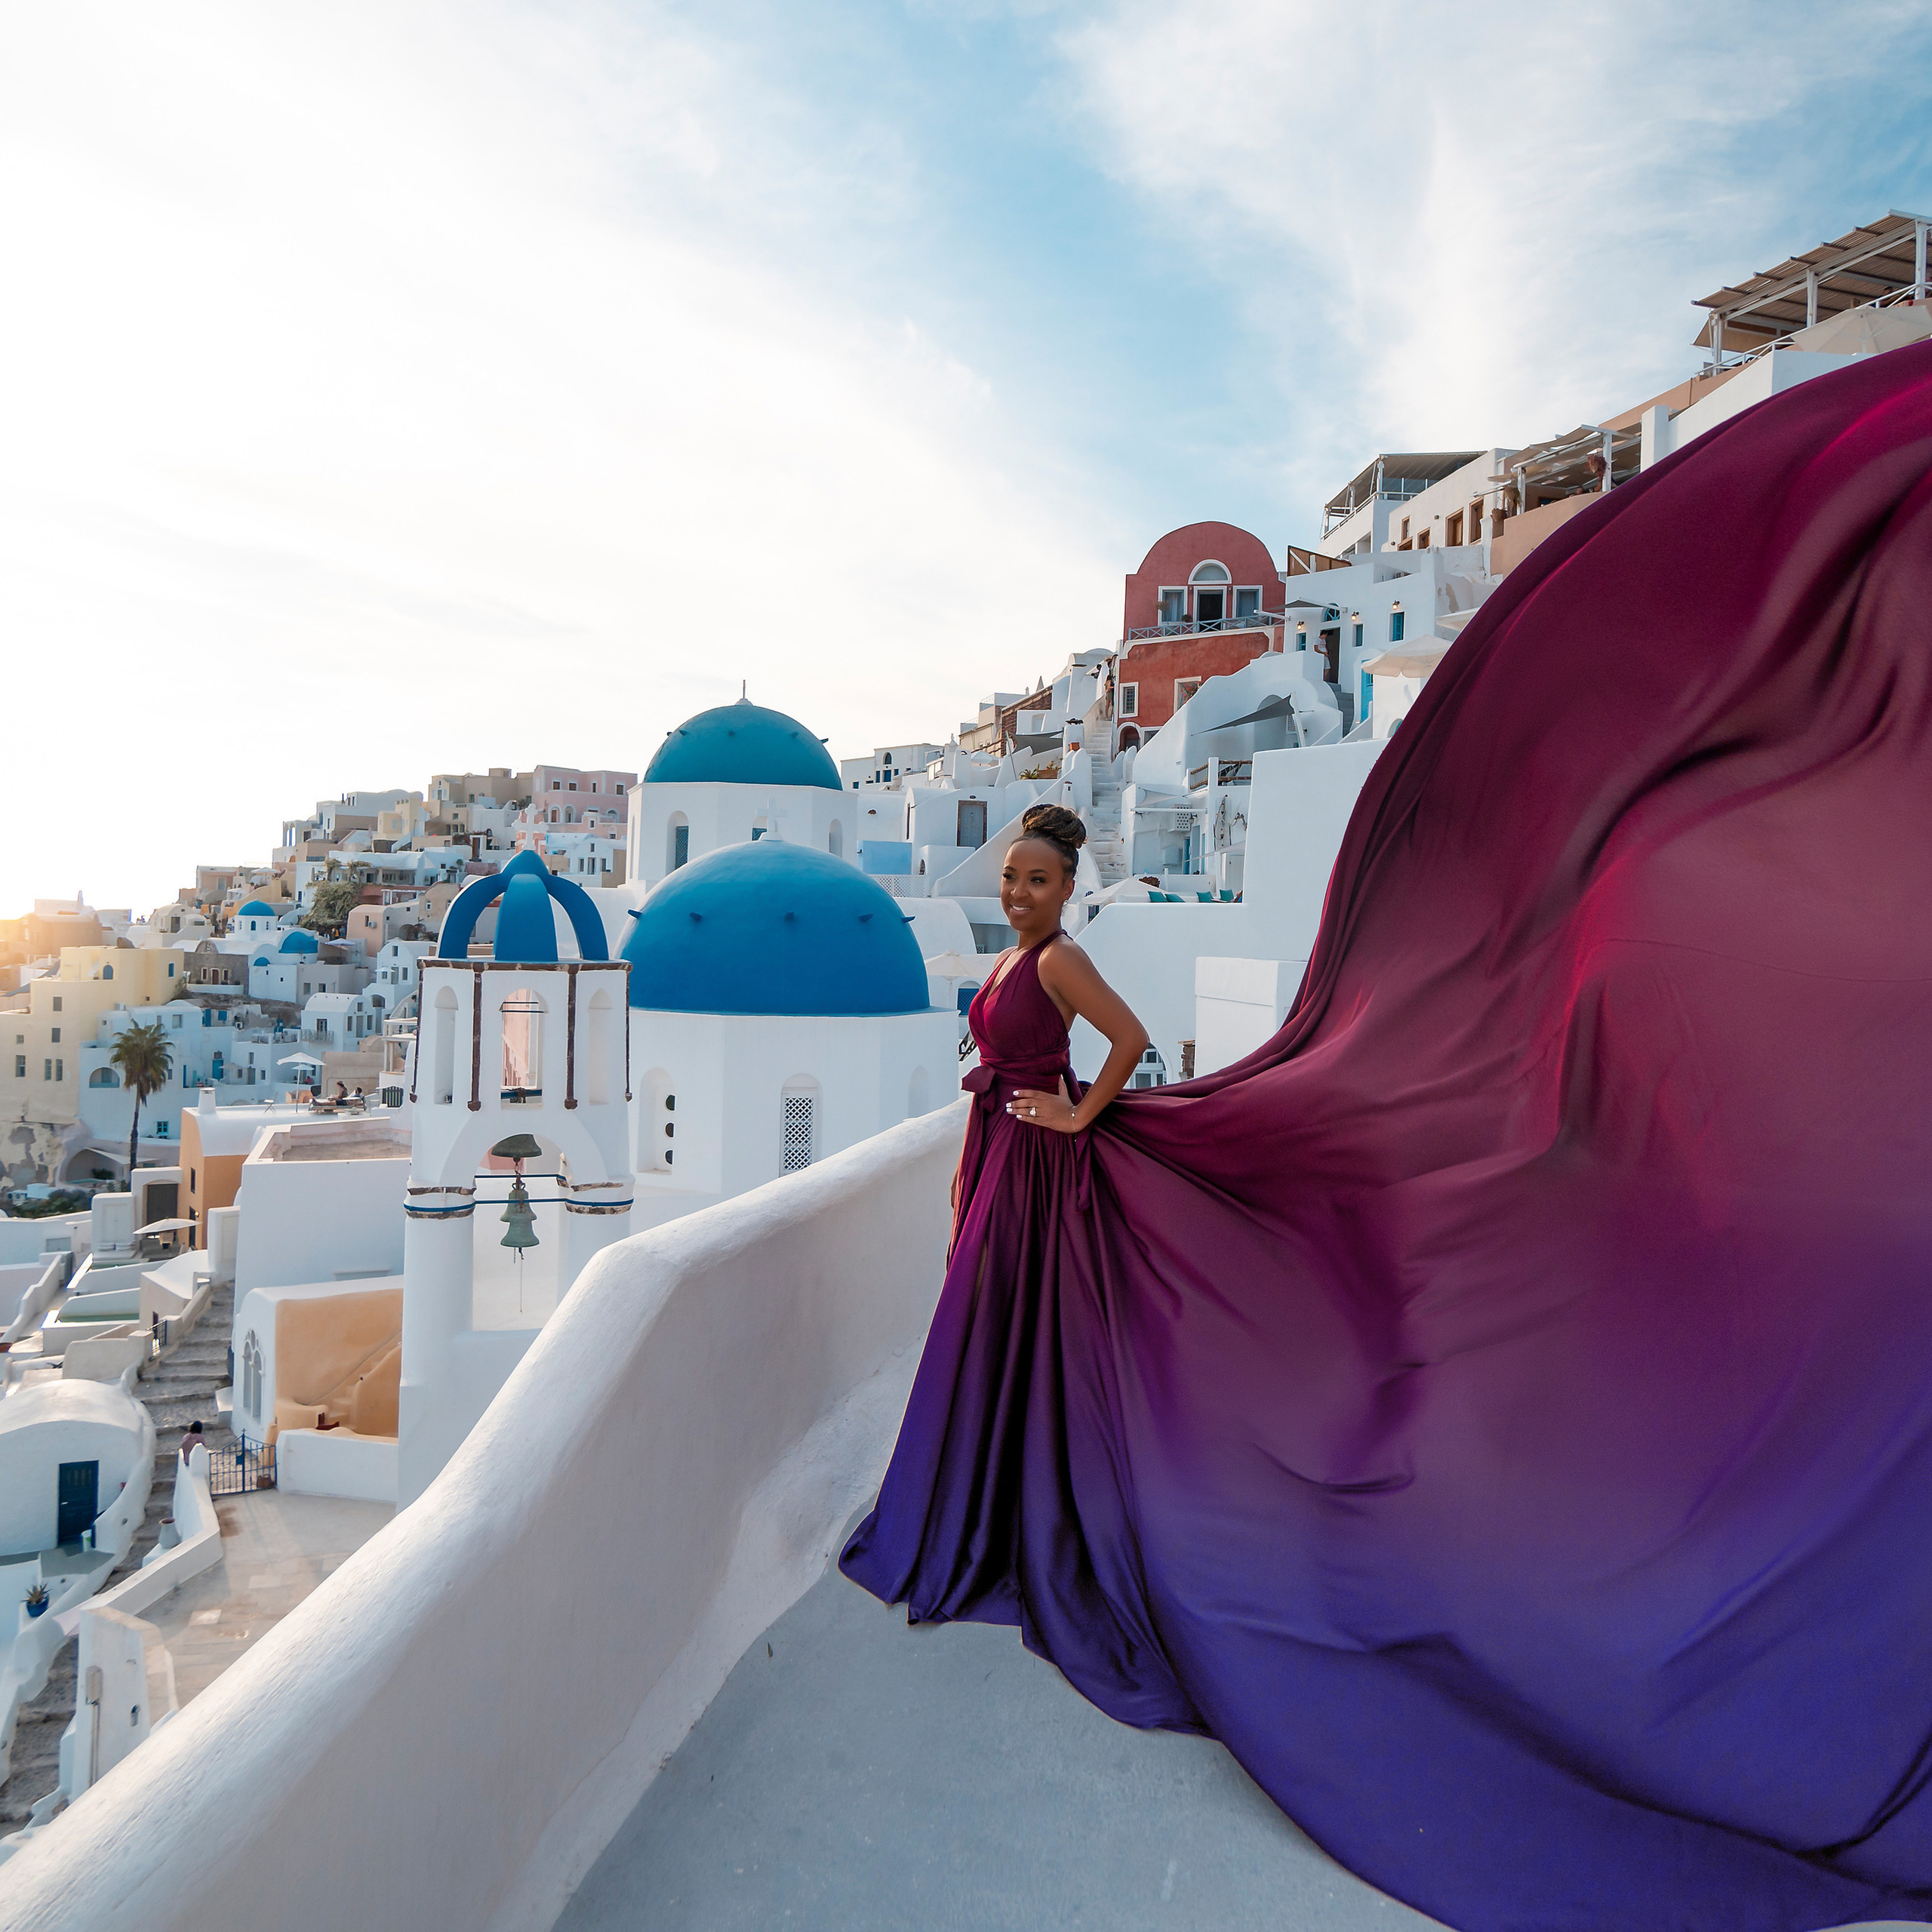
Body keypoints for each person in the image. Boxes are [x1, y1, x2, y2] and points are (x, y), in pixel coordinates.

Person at [844, 343, 1932, 1932]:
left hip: (1049, 1163)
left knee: (1045, 1357)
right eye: (1007, 878)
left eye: (1033, 879)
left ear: (1066, 887)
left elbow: (1121, 1049)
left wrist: (1078, 1110)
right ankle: (982, 1512)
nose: (1016, 895)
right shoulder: (1011, 961)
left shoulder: (1063, 962)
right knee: (1007, 1351)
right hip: (1010, 1168)